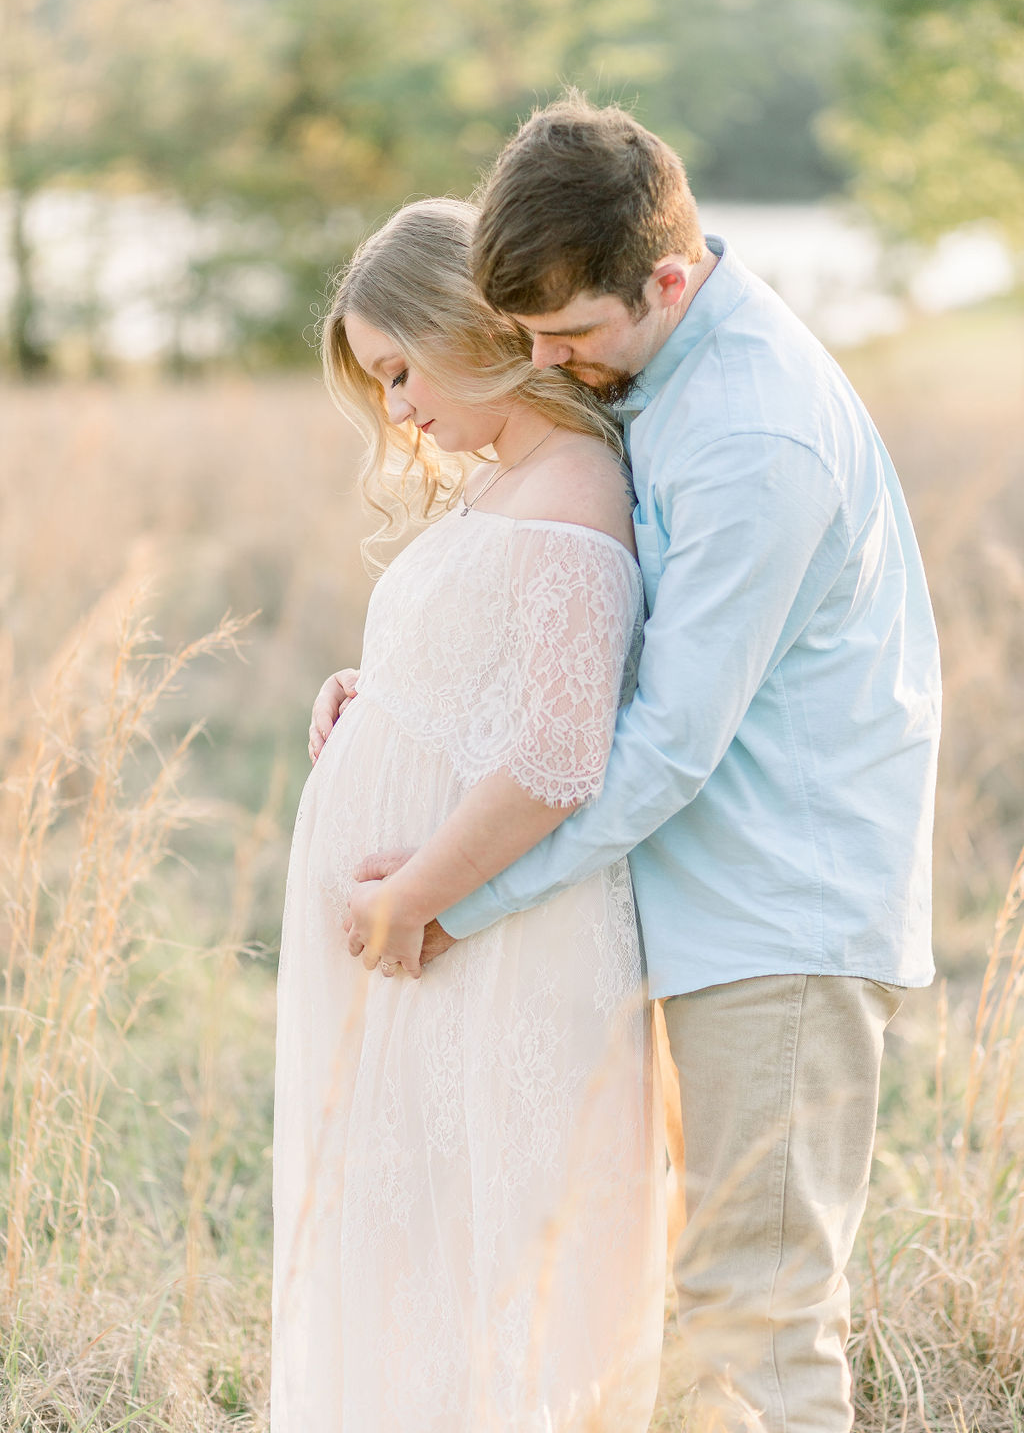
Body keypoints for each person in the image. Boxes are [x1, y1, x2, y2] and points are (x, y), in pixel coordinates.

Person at [328, 95, 942, 1433]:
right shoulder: (669, 372)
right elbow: (601, 648)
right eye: (526, 339)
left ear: (667, 277)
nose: (548, 363)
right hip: (699, 912)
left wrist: (455, 898)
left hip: (777, 922)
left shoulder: (749, 437)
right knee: (694, 1313)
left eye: (566, 338)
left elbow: (662, 746)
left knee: (759, 1326)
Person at [272, 196, 665, 1433]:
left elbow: (556, 754)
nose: (396, 410)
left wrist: (409, 894)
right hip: (430, 937)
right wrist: (374, 694)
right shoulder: (514, 480)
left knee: (488, 1227)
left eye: (400, 369)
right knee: (412, 1220)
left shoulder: (574, 487)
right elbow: (491, 678)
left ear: (472, 323)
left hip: (481, 939)